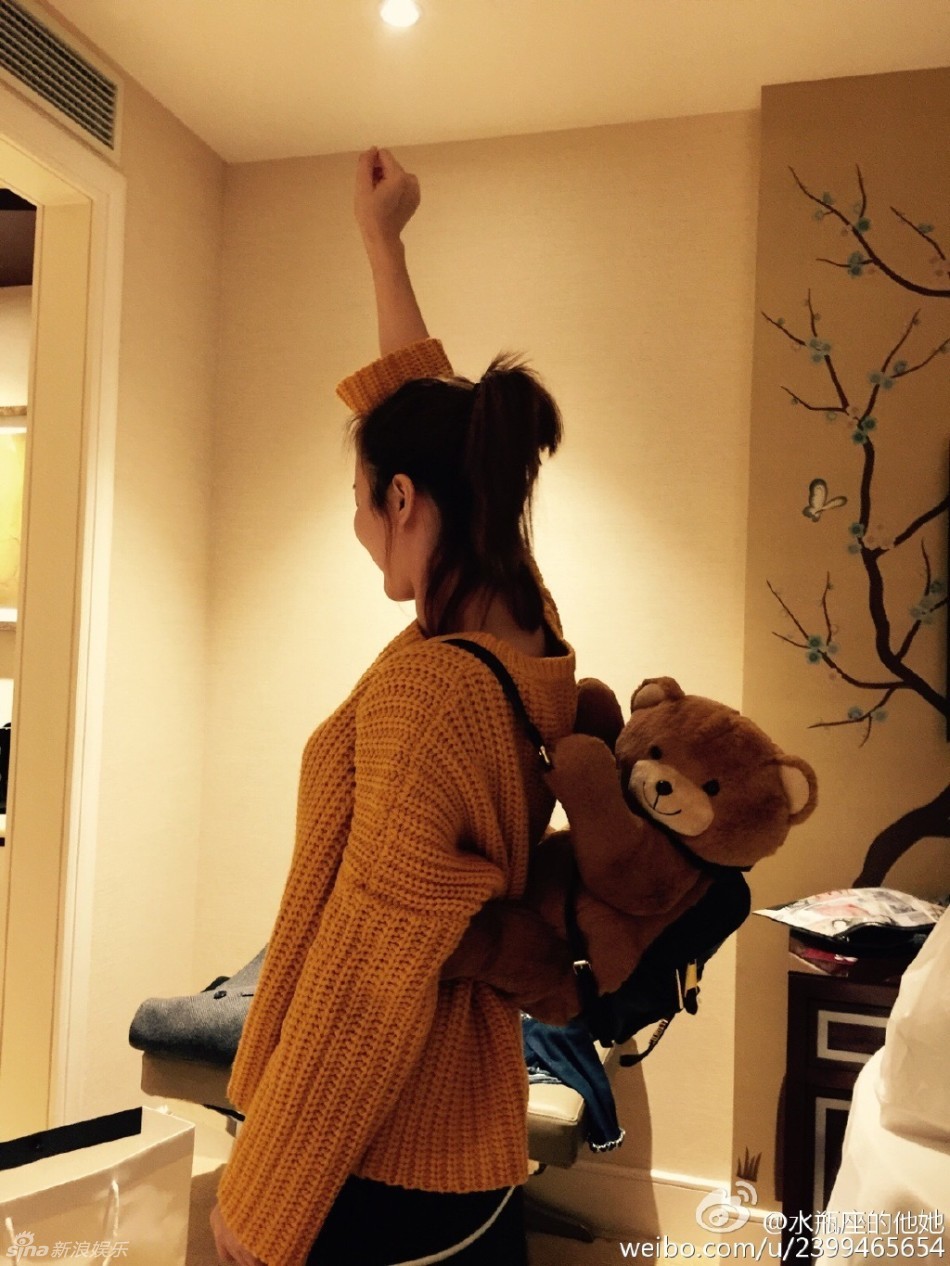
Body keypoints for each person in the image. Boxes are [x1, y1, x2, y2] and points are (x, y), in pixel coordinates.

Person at [209, 147, 577, 1266]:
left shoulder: (430, 693)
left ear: (404, 499)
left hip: (384, 1162)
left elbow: (364, 980)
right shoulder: (524, 633)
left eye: (363, 501)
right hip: (462, 1140)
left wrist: (257, 1206)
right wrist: (384, 245)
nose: (359, 527)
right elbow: (433, 419)